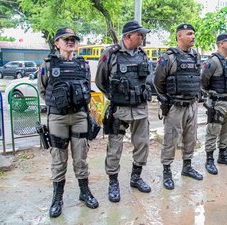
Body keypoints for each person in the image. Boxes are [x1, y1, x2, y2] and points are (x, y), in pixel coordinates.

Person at [37, 27, 98, 218]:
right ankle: (57, 198)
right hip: (58, 117)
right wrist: (57, 104)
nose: (70, 42)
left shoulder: (83, 65)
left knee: (81, 156)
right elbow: (43, 90)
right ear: (57, 43)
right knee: (58, 159)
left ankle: (84, 192)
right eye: (66, 39)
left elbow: (87, 88)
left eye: (73, 39)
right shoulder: (47, 65)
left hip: (80, 116)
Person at [95, 20, 152, 203]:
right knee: (115, 147)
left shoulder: (142, 54)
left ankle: (136, 178)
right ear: (128, 36)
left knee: (142, 144)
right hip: (119, 110)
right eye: (140, 35)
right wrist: (116, 96)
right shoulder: (110, 54)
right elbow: (100, 81)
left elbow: (147, 79)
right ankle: (113, 182)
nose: (143, 37)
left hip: (141, 109)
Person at [153, 24, 203, 190]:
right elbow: (157, 81)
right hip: (175, 106)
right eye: (189, 34)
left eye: (193, 34)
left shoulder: (196, 56)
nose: (193, 37)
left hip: (192, 105)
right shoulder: (169, 57)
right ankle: (167, 171)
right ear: (179, 36)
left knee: (191, 138)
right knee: (170, 140)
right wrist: (166, 100)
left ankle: (187, 167)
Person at [201, 33, 227, 175]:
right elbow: (203, 81)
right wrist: (210, 94)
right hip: (218, 103)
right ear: (221, 44)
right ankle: (210, 160)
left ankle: (223, 155)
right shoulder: (213, 61)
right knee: (213, 131)